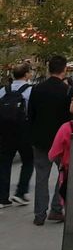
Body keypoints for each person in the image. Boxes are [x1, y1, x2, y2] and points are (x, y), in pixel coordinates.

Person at [28, 55, 70, 225]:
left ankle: (39, 214)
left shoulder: (37, 89)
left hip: (40, 140)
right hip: (60, 141)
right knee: (62, 175)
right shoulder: (67, 90)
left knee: (41, 177)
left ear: (49, 68)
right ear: (64, 69)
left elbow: (30, 114)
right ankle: (56, 208)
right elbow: (68, 116)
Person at [0, 62, 33, 209]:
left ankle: (2, 197)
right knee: (28, 160)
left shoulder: (3, 91)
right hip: (24, 130)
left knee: (5, 162)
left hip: (5, 131)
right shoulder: (30, 91)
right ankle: (20, 192)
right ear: (26, 75)